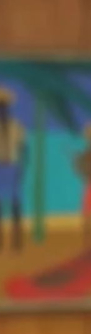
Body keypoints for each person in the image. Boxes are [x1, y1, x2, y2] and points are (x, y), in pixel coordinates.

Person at [0, 86, 26, 251]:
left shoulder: (16, 127)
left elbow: (22, 148)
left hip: (13, 167)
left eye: (4, 106)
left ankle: (17, 239)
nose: (2, 110)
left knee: (16, 204)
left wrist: (21, 168)